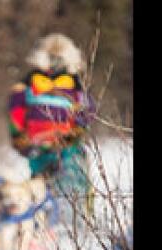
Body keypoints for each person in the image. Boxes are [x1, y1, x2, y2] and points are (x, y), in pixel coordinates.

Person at [8, 33, 96, 201]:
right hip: (38, 145)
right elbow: (16, 110)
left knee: (74, 185)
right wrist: (19, 137)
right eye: (51, 58)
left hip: (68, 146)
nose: (55, 64)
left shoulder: (75, 84)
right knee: (40, 189)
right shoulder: (30, 82)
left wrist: (77, 130)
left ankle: (74, 220)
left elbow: (88, 110)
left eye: (59, 59)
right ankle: (44, 219)